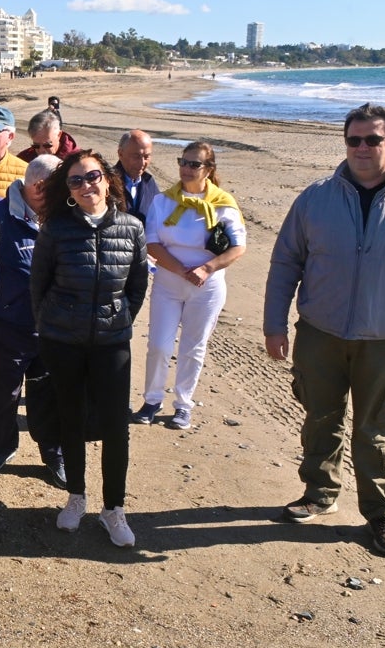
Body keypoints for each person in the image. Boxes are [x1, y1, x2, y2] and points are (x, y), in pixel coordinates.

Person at [264, 102, 385, 558]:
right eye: (354, 139)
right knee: (321, 416)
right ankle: (319, 492)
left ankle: (381, 514)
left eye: (373, 139)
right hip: (320, 332)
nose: (362, 148)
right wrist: (273, 324)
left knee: (376, 428)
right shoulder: (316, 197)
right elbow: (286, 263)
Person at [31, 151, 149, 547]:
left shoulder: (132, 228)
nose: (86, 186)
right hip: (63, 340)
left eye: (93, 177)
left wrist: (119, 318)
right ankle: (76, 497)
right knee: (72, 419)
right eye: (76, 181)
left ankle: (114, 509)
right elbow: (39, 285)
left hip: (111, 342)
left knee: (117, 426)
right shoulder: (56, 230)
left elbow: (136, 286)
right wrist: (51, 322)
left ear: (107, 179)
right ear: (68, 190)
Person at [133, 142, 246, 430]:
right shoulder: (163, 201)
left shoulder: (223, 204)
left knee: (192, 348)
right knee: (158, 345)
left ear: (209, 169)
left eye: (194, 164)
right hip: (168, 282)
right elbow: (152, 242)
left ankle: (183, 404)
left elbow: (237, 247)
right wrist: (181, 269)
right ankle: (152, 399)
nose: (186, 168)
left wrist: (207, 268)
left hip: (206, 287)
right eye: (183, 161)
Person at [0, 155, 66, 487]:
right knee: (3, 395)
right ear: (38, 187)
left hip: (53, 329)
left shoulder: (66, 216)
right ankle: (3, 445)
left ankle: (53, 453)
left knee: (49, 396)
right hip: (6, 327)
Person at [114, 129, 159, 223]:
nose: (142, 163)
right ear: (120, 154)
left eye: (146, 157)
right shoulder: (107, 182)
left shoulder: (149, 183)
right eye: (136, 156)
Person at [16, 109, 81, 163]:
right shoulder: (23, 160)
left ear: (59, 135)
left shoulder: (78, 161)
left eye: (47, 145)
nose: (42, 151)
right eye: (36, 146)